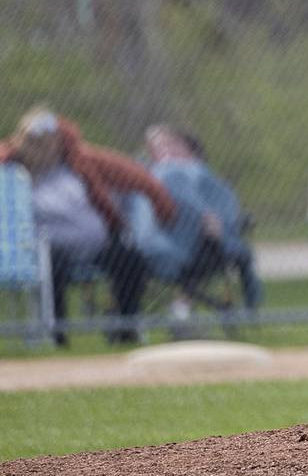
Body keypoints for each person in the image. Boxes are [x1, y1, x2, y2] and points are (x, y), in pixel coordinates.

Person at [0, 108, 176, 345]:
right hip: (47, 249)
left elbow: (133, 176)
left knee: (129, 258)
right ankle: (57, 336)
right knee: (53, 264)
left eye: (50, 141)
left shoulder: (80, 162)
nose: (44, 148)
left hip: (98, 245)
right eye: (35, 142)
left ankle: (126, 328)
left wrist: (162, 204)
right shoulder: (14, 173)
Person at [128, 125, 264, 320]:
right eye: (158, 147)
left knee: (236, 253)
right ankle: (179, 305)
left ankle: (249, 310)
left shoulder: (196, 172)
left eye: (171, 146)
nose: (167, 152)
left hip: (205, 246)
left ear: (190, 151)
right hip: (164, 246)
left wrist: (217, 222)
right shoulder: (153, 173)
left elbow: (222, 207)